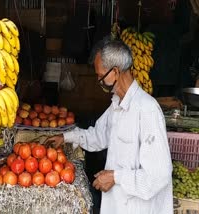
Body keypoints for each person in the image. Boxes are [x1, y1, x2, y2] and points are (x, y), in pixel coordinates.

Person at [46, 38, 173, 214]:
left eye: (100, 75)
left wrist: (115, 177)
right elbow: (98, 135)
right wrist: (67, 137)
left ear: (115, 71)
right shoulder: (117, 105)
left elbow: (159, 175)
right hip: (118, 204)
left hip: (138, 208)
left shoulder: (147, 110)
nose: (98, 80)